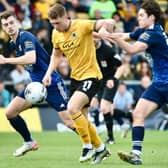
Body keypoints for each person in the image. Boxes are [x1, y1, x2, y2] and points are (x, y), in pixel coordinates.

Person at [42, 3, 115, 164]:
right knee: (82, 119)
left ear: (65, 16)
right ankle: (101, 149)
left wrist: (105, 27)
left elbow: (104, 22)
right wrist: (48, 74)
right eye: (52, 24)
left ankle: (87, 146)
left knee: (72, 108)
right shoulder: (56, 34)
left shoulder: (81, 25)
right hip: (76, 79)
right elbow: (56, 55)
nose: (55, 27)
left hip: (92, 76)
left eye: (57, 23)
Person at [0, 11, 75, 157]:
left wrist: (7, 60)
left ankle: (95, 145)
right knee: (10, 112)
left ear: (17, 22)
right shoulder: (12, 43)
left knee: (69, 122)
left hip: (51, 83)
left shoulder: (25, 36)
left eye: (11, 23)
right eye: (5, 25)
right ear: (3, 28)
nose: (9, 26)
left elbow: (31, 58)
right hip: (35, 87)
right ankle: (29, 141)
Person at [109, 0, 168, 165]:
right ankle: (136, 154)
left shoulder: (153, 34)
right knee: (138, 114)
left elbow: (132, 49)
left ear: (152, 17)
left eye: (142, 16)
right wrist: (103, 34)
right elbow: (124, 36)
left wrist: (113, 37)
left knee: (137, 114)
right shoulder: (145, 31)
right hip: (158, 85)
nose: (139, 19)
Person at [93, 38, 122, 144]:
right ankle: (128, 116)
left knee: (104, 108)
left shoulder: (108, 50)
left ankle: (111, 138)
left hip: (110, 81)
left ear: (98, 37)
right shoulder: (89, 50)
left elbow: (121, 66)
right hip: (99, 81)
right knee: (108, 110)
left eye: (94, 36)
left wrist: (114, 79)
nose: (92, 39)